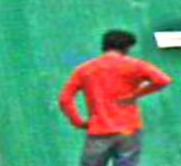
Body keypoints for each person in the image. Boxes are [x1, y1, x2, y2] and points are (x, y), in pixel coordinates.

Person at [59, 30, 172, 166]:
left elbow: (65, 99)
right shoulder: (135, 65)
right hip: (129, 128)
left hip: (99, 129)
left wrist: (78, 121)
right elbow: (163, 80)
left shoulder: (85, 69)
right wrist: (135, 95)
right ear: (126, 47)